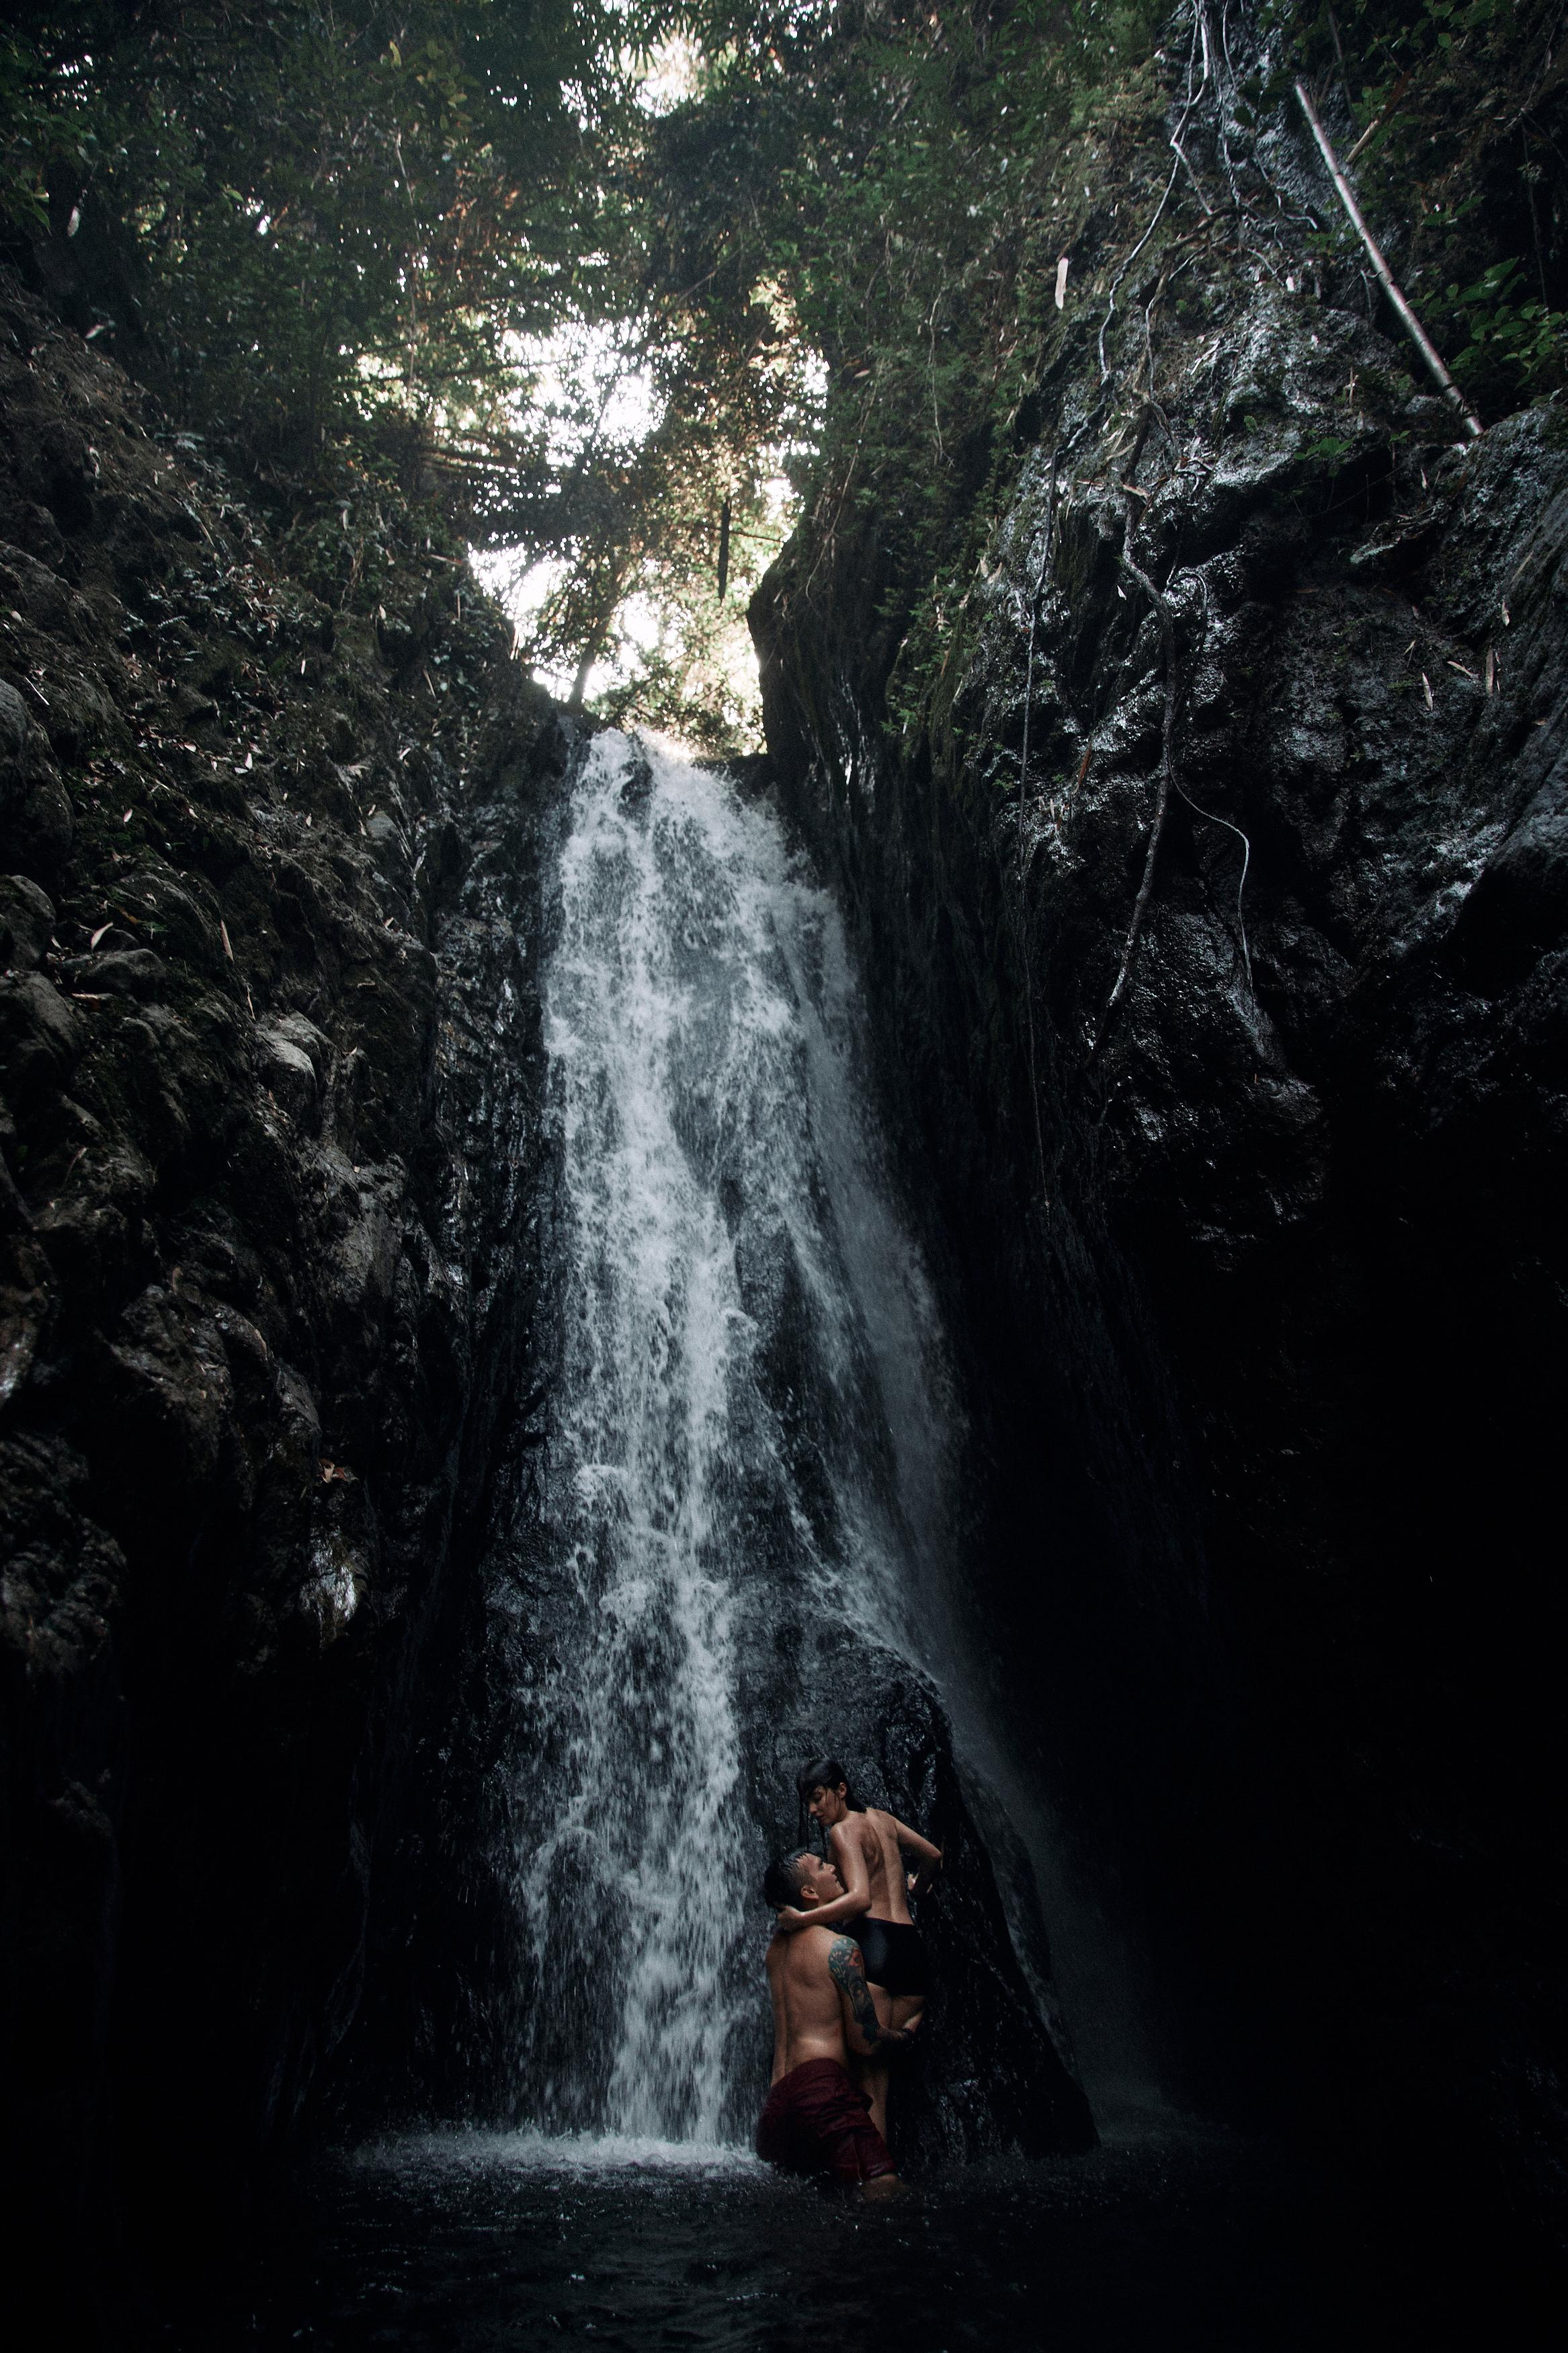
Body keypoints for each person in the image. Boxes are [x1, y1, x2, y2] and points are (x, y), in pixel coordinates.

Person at [776, 1756, 943, 2140]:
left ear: (841, 1790)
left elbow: (860, 1900)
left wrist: (803, 1920)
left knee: (872, 2085)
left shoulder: (842, 1831)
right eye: (808, 1803)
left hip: (876, 1948)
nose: (814, 1809)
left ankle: (875, 2183)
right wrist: (917, 1888)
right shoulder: (883, 1820)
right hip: (911, 1951)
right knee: (884, 2056)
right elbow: (933, 1855)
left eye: (818, 1798)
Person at [756, 1847, 917, 2196]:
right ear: (809, 1892)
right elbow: (865, 2041)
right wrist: (904, 2035)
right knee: (885, 2190)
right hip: (821, 2093)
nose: (832, 1867)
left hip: (778, 2104)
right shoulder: (839, 1949)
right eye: (821, 1866)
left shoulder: (774, 1951)